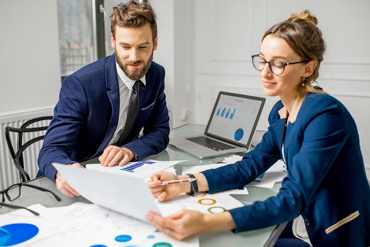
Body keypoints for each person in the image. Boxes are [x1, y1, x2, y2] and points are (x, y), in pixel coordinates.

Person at [146, 10, 370, 247]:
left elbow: (292, 198)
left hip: (329, 233)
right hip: (300, 219)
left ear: (308, 68)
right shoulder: (279, 112)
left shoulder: (325, 115)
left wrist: (206, 221)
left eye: (278, 64)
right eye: (262, 60)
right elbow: (249, 166)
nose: (264, 72)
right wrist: (184, 183)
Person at [38, 1, 170, 197]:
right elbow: (51, 149)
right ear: (113, 42)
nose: (134, 57)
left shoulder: (156, 75)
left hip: (119, 177)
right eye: (125, 46)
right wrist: (65, 170)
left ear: (155, 43)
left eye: (143, 46)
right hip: (73, 182)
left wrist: (130, 150)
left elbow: (160, 131)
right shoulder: (81, 83)